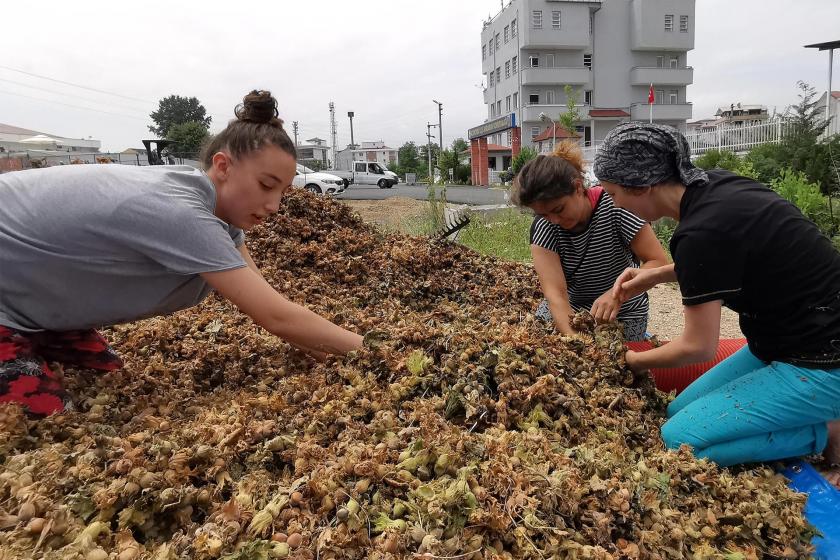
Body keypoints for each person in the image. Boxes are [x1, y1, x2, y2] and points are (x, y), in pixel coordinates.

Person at [0, 90, 363, 416]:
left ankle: (36, 332)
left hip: (31, 299)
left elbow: (265, 297)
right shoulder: (182, 213)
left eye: (282, 191)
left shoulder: (215, 211)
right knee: (47, 416)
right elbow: (276, 317)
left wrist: (319, 344)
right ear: (222, 166)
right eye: (266, 186)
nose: (274, 205)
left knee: (104, 376)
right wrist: (378, 353)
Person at [596, 122, 840, 487]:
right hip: (780, 343)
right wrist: (656, 275)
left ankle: (824, 430)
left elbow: (698, 347)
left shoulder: (698, 233)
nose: (614, 203)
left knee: (676, 442)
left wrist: (631, 361)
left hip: (823, 359)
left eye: (614, 193)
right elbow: (728, 257)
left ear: (642, 186)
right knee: (677, 410)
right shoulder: (714, 186)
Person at [511, 141, 668, 341]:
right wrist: (576, 341)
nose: (555, 221)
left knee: (616, 359)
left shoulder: (616, 206)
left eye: (559, 209)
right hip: (573, 308)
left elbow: (658, 263)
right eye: (543, 214)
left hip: (622, 310)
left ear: (577, 187)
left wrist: (616, 294)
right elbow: (556, 295)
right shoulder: (544, 227)